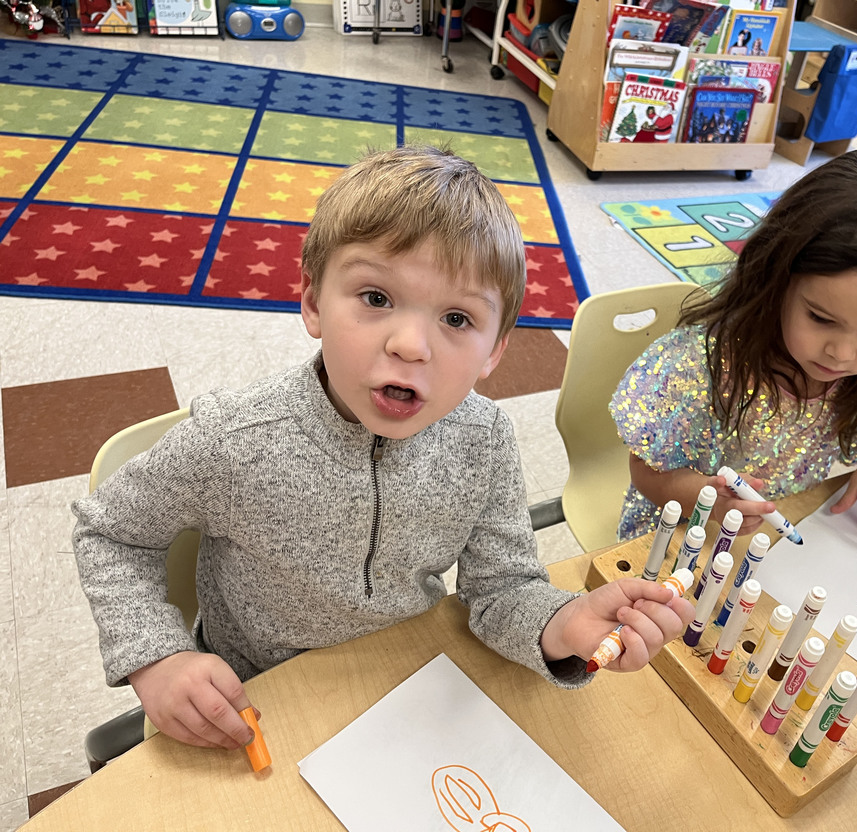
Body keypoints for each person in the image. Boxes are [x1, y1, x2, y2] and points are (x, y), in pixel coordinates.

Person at [73, 146, 693, 752]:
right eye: (376, 298)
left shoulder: (485, 440)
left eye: (457, 320)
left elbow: (502, 589)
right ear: (314, 302)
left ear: (495, 352)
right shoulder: (233, 440)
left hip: (404, 688)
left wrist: (562, 625)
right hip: (258, 698)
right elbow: (109, 533)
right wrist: (157, 656)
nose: (411, 344)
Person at [610, 147, 857, 547]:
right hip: (675, 538)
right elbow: (646, 470)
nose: (843, 354)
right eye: (821, 318)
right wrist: (709, 501)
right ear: (776, 277)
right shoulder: (699, 365)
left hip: (776, 543)